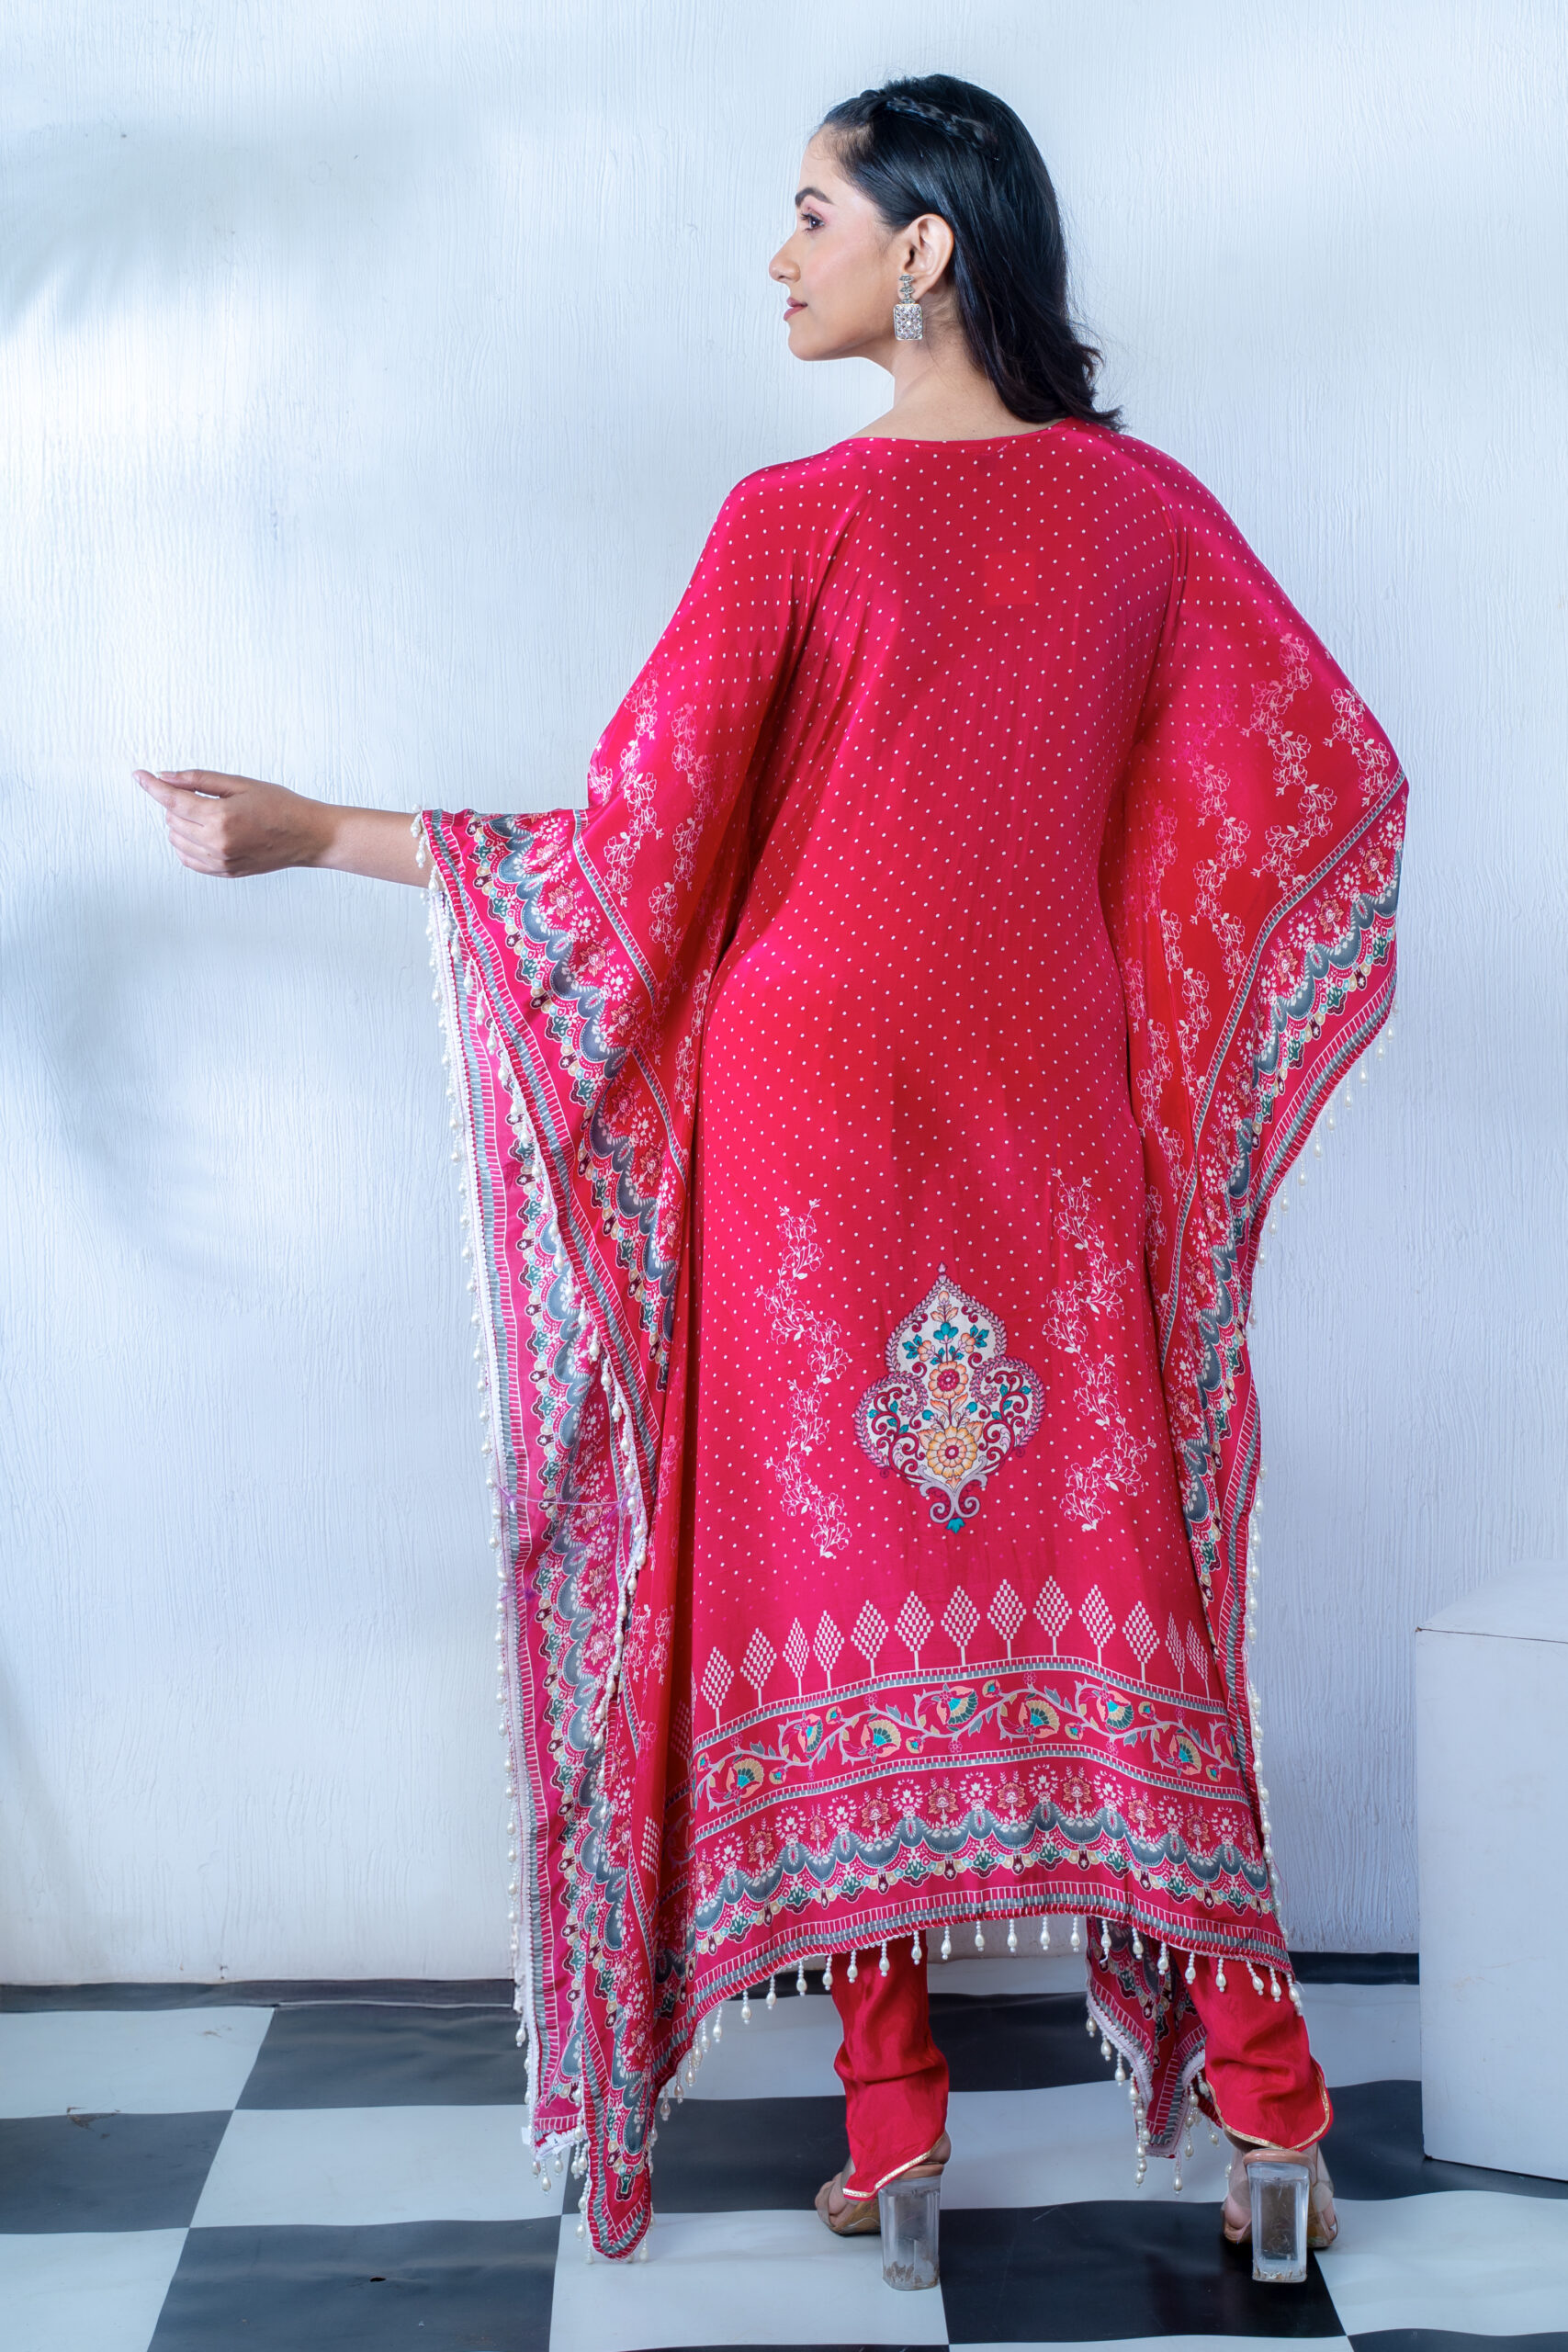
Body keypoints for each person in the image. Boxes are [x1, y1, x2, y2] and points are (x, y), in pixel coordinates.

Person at [136, 74, 1404, 2267]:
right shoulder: (1149, 520)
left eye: (811, 210)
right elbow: (1317, 788)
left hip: (805, 1098)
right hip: (1044, 1095)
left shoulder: (792, 524)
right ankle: (1272, 2113)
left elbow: (628, 857)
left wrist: (317, 829)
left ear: (924, 246)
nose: (775, 252)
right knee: (1130, 1579)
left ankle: (894, 2127)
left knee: (822, 1575)